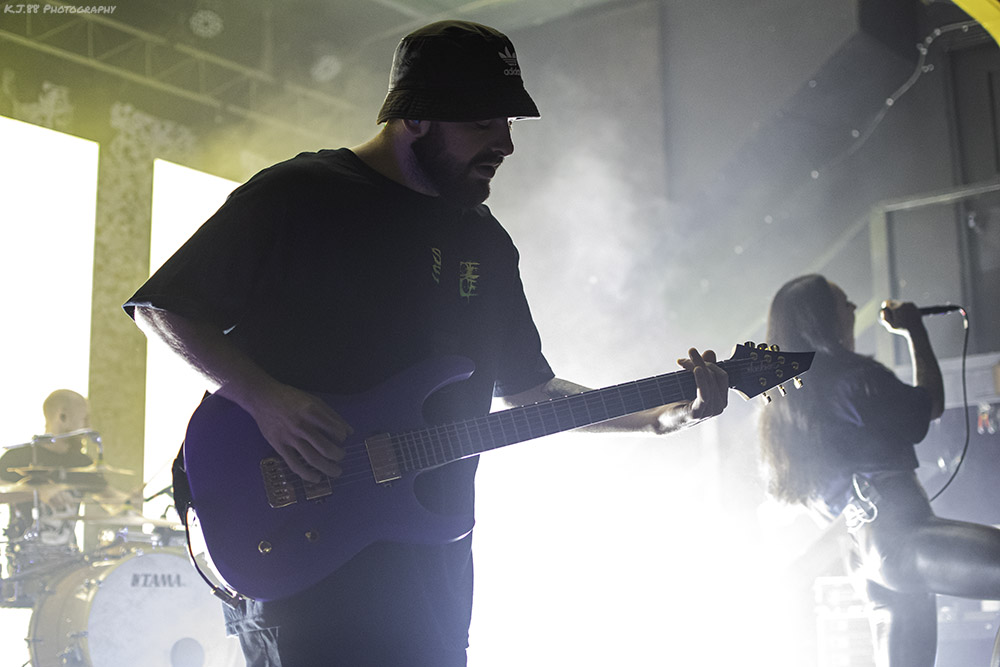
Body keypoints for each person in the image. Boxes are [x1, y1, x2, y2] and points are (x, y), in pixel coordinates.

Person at [124, 20, 730, 667]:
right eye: (482, 122)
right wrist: (266, 398)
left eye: (508, 123)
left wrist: (666, 413)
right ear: (415, 117)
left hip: (431, 565)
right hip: (303, 551)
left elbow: (532, 391)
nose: (505, 142)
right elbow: (163, 307)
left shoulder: (485, 244)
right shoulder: (301, 195)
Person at [759, 274, 1000, 667]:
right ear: (824, 319)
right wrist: (915, 331)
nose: (855, 310)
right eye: (845, 303)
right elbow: (929, 407)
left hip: (865, 557)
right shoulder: (854, 379)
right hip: (902, 538)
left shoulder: (786, 413)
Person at [0, 390, 96, 604]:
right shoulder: (19, 457)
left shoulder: (82, 463)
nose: (88, 426)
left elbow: (115, 502)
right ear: (62, 417)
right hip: (26, 562)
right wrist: (37, 492)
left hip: (69, 560)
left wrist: (132, 500)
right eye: (84, 418)